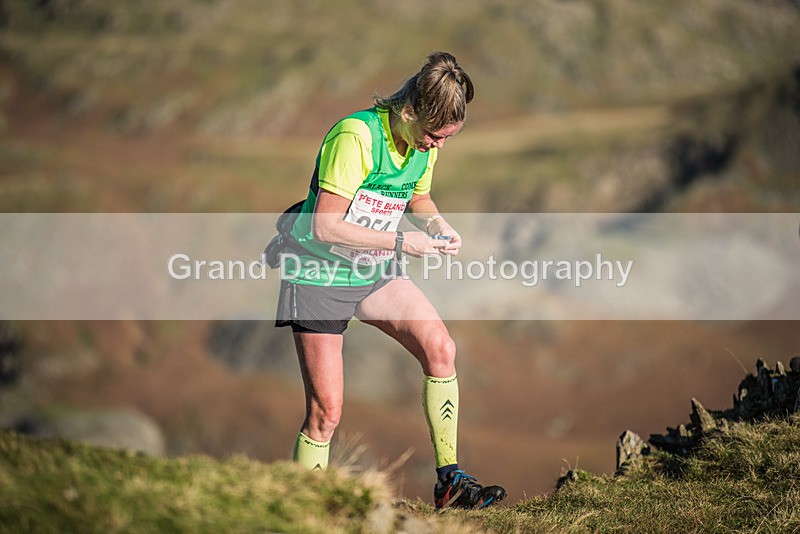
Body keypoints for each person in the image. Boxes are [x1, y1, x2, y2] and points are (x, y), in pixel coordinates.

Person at [275, 51, 506, 510]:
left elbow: (417, 195)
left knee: (441, 349)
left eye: (447, 140)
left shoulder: (424, 143)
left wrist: (437, 224)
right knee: (326, 413)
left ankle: (450, 482)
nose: (438, 147)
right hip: (318, 270)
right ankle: (304, 510)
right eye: (434, 137)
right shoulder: (355, 137)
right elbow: (324, 225)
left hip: (371, 267)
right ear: (408, 111)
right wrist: (401, 242)